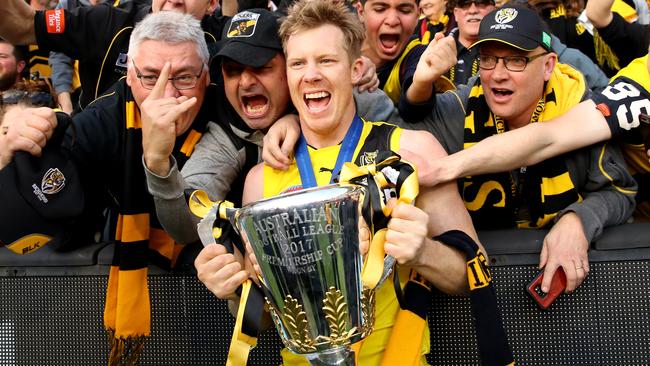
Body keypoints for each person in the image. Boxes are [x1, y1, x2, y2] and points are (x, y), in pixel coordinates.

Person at [195, 1, 489, 365]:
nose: (311, 74)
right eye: (299, 63)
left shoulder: (411, 151)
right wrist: (232, 288)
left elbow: (473, 272)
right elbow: (269, 319)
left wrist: (422, 251)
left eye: (327, 61)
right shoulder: (261, 178)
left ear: (355, 69)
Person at [0, 12, 214, 363]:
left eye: (185, 78)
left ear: (207, 76)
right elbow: (16, 215)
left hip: (213, 293)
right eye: (149, 77)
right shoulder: (105, 120)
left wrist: (285, 122)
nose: (167, 95)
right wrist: (8, 150)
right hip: (128, 295)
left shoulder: (226, 101)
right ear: (129, 76)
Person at [405, 5, 637, 293]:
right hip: (477, 287)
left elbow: (621, 193)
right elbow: (394, 136)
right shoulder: (461, 108)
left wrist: (578, 220)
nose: (497, 75)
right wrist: (420, 85)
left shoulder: (580, 109)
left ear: (548, 65)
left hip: (566, 289)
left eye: (516, 60)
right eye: (488, 60)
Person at [145, 8, 398, 246]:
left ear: (290, 66)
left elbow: (408, 152)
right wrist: (157, 163)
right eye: (232, 71)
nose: (245, 81)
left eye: (260, 67)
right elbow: (185, 226)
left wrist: (297, 119)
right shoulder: (227, 135)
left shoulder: (354, 93)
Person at [0, 0, 235, 109]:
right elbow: (22, 25)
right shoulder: (109, 22)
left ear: (212, 3)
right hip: (101, 163)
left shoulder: (227, 35)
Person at [354, 0, 454, 115]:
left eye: (404, 10)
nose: (392, 21)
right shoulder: (339, 43)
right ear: (361, 12)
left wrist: (422, 83)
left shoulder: (418, 55)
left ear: (418, 15)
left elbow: (413, 111)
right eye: (380, 9)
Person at [444, 0, 495, 86]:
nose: (473, 10)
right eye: (465, 4)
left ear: (493, 10)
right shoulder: (436, 50)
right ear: (456, 13)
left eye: (481, 2)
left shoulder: (508, 51)